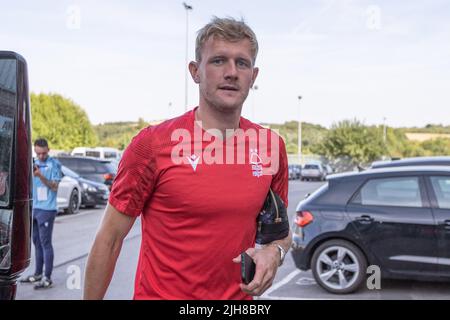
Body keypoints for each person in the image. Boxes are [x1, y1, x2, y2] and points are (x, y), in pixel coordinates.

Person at [83, 16, 291, 300]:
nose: (231, 72)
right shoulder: (153, 144)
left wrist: (274, 252)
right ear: (195, 71)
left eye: (242, 63)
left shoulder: (271, 146)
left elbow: (280, 233)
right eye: (218, 61)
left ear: (253, 77)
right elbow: (109, 239)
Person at [20, 138, 61, 289]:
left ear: (48, 150)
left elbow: (55, 187)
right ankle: (37, 274)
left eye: (43, 153)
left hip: (47, 209)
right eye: (38, 153)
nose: (41, 156)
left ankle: (47, 277)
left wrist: (40, 176)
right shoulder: (34, 163)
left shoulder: (54, 164)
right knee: (36, 242)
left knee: (45, 243)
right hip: (35, 208)